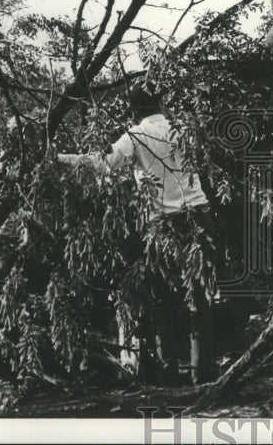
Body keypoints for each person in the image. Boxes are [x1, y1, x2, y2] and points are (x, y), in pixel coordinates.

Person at [57, 84, 218, 385]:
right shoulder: (182, 130)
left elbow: (102, 164)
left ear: (133, 110)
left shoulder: (135, 135)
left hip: (161, 224)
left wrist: (61, 158)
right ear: (161, 102)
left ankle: (169, 371)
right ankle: (202, 375)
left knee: (162, 299)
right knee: (200, 299)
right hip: (197, 217)